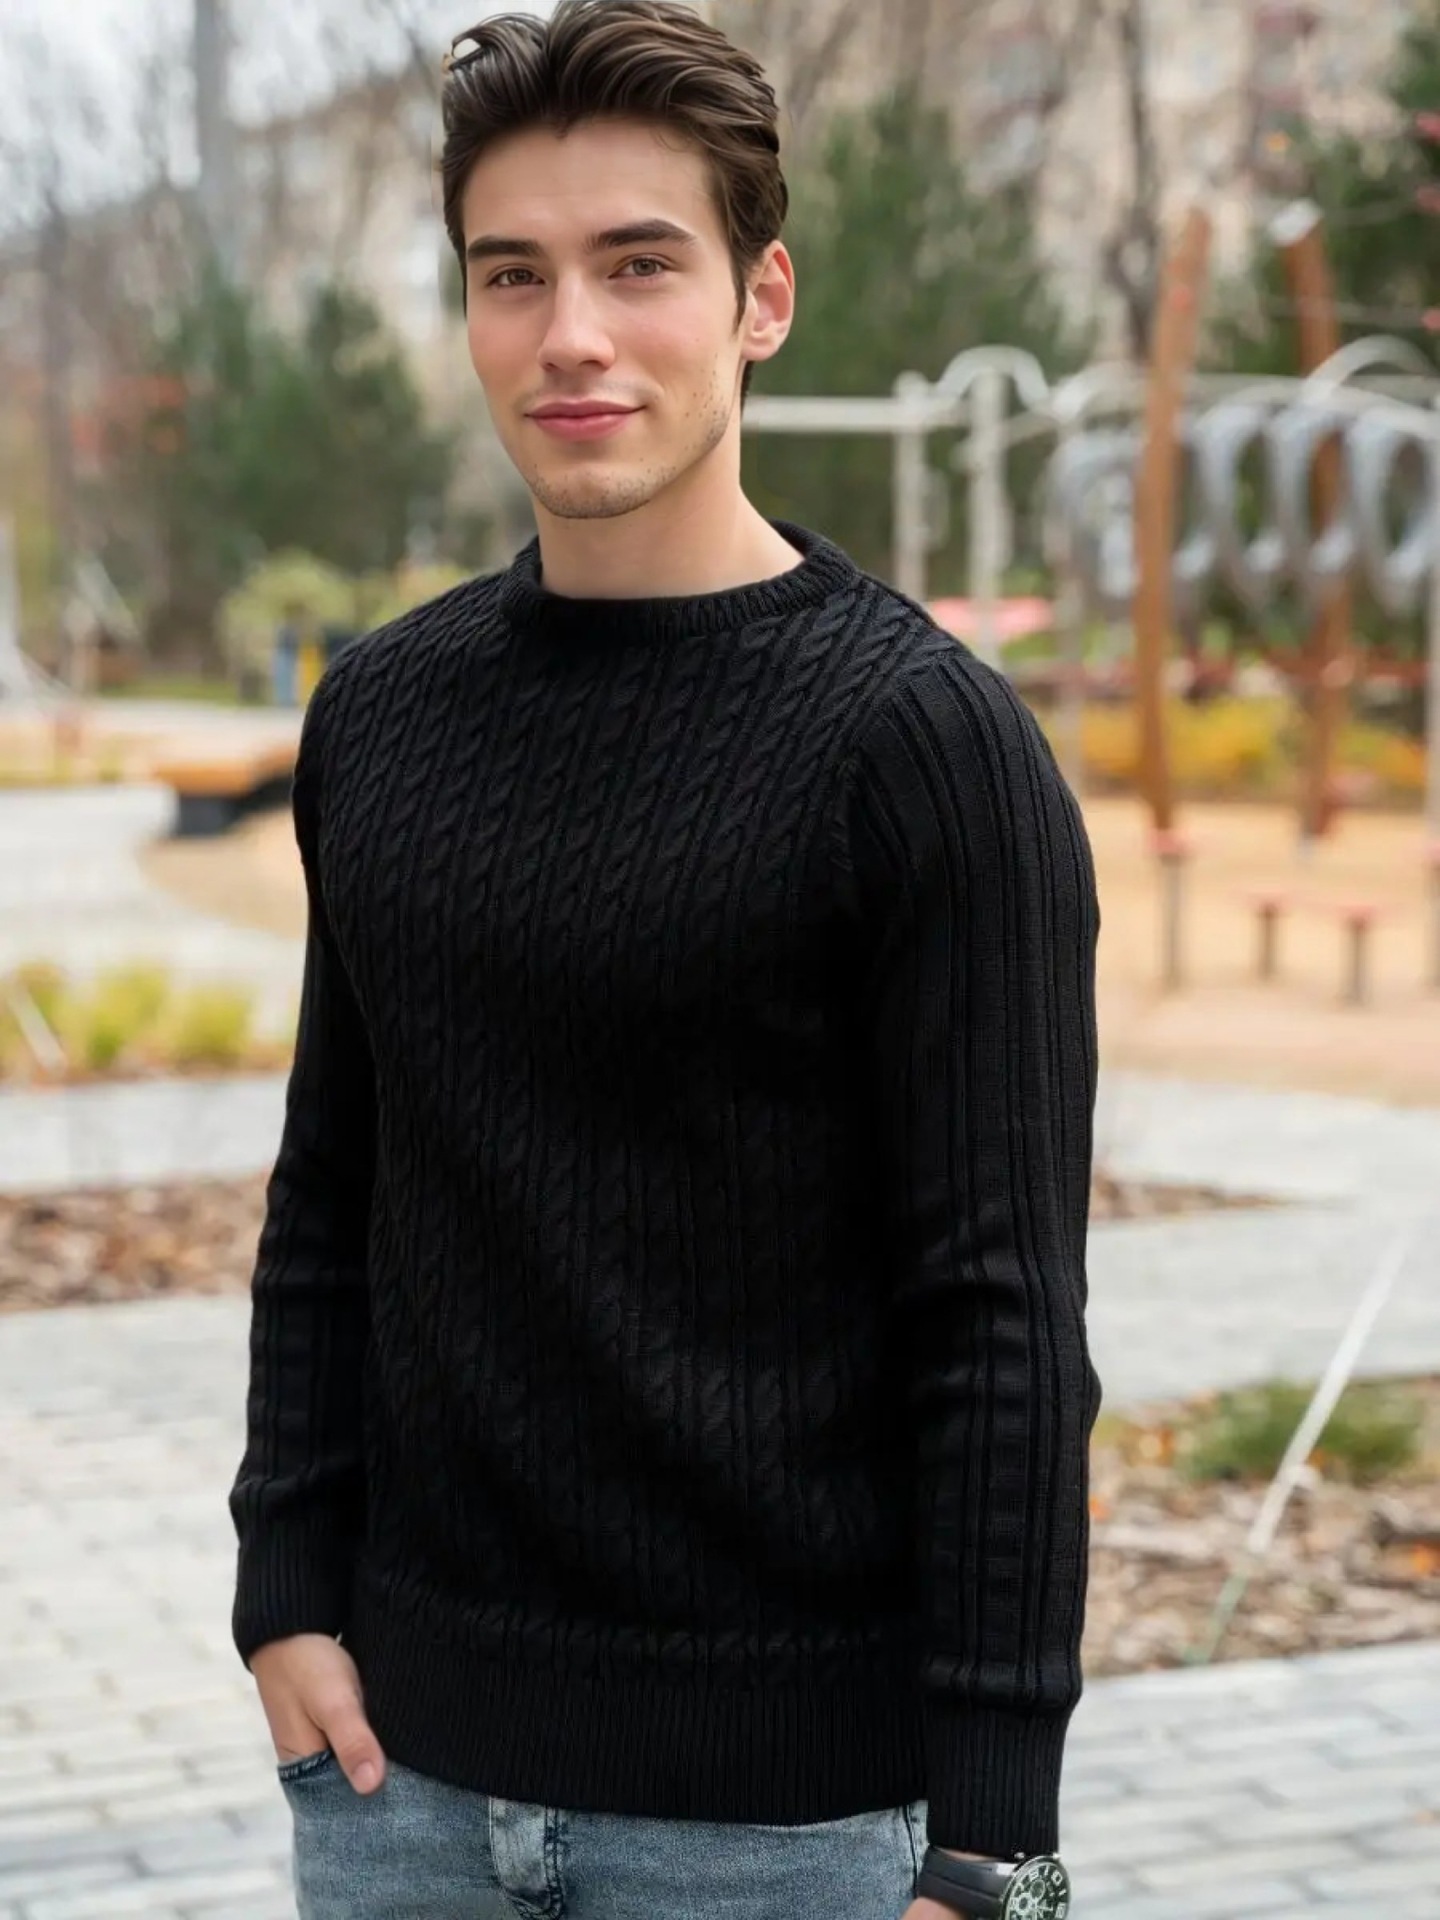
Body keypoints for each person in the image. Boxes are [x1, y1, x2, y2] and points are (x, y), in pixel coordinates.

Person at [229, 4, 1101, 1916]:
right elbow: (333, 1190)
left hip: (786, 1831)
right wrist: (281, 1586)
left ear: (759, 298)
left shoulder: (926, 750)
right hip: (397, 1791)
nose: (573, 336)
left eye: (640, 265)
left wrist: (994, 1844)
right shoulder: (380, 714)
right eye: (513, 276)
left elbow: (1002, 1324)